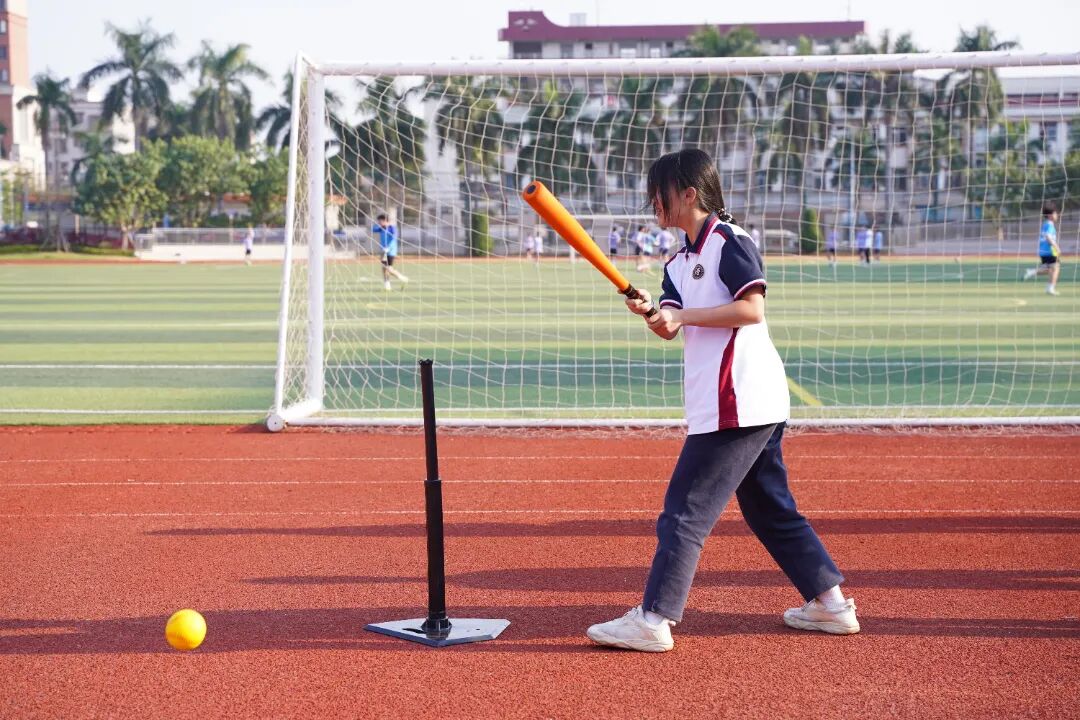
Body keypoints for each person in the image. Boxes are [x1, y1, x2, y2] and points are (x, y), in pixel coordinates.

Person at [586, 148, 857, 653]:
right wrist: (653, 313)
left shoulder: (730, 241)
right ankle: (831, 605)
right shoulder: (678, 261)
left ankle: (653, 619)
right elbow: (671, 326)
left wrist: (685, 317)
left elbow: (751, 309)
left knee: (684, 512)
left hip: (739, 400)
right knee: (771, 510)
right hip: (736, 402)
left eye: (660, 193)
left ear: (689, 193)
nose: (653, 203)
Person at [1024, 203, 1062, 295]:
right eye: (1055, 213)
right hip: (1049, 251)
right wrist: (1056, 247)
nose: (1057, 215)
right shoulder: (1049, 225)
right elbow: (1048, 237)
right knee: (1056, 268)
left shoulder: (1045, 224)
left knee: (1050, 270)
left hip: (1043, 251)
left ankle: (1032, 272)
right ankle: (1050, 288)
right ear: (1050, 215)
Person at [372, 213, 408, 290]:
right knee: (384, 268)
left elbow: (393, 239)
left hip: (391, 251)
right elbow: (373, 229)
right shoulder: (381, 228)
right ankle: (387, 285)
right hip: (384, 251)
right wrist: (380, 225)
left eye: (380, 221)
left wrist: (388, 248)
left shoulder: (392, 228)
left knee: (388, 268)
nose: (379, 223)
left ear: (385, 220)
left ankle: (402, 278)